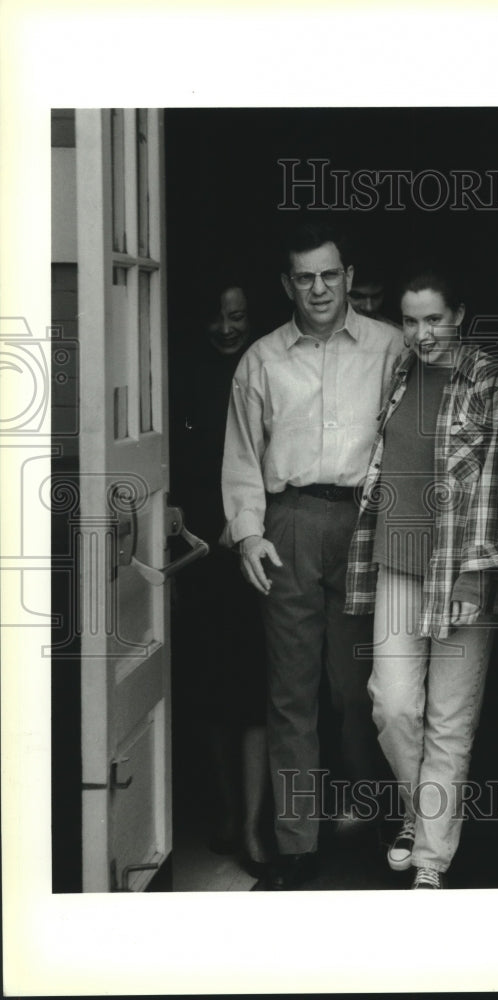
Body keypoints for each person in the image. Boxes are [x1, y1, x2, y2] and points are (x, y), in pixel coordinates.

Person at [221, 221, 403, 890]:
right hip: (289, 525)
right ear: (287, 284)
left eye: (330, 275)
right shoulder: (262, 360)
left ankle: (385, 822)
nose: (319, 288)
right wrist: (248, 532)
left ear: (349, 276)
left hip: (367, 524)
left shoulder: (389, 348)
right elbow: (242, 454)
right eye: (305, 277)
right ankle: (297, 843)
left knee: (364, 692)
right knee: (291, 694)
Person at [344, 265, 498, 889]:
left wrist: (476, 574)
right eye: (410, 321)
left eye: (433, 318)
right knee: (392, 707)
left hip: (459, 571)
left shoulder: (487, 378)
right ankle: (421, 812)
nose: (421, 333)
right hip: (397, 561)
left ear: (458, 315)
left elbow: (493, 478)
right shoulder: (402, 371)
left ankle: (431, 863)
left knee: (448, 720)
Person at [172, 285, 272, 876]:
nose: (227, 327)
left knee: (258, 690)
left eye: (237, 314)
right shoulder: (179, 374)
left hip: (257, 545)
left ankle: (258, 826)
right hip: (199, 551)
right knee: (211, 690)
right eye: (216, 314)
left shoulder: (267, 365)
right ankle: (229, 814)